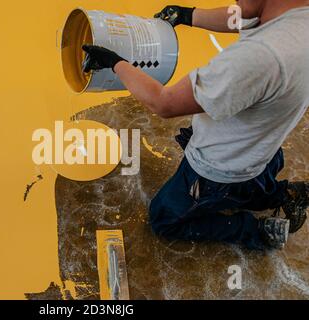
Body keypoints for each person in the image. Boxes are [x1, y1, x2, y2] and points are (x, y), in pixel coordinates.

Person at [81, 0, 309, 250]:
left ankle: (256, 232)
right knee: (250, 181)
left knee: (164, 219)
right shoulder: (294, 18)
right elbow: (243, 16)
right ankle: (285, 195)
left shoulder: (259, 56)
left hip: (217, 166)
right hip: (262, 145)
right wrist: (189, 15)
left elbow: (164, 104)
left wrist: (115, 63)